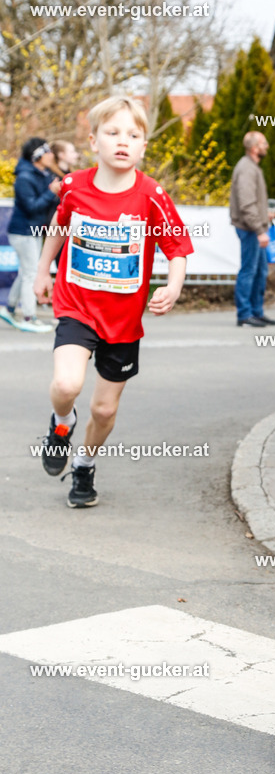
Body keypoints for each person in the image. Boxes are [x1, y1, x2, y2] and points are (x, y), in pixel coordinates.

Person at [33, 96, 193, 508]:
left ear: (143, 147)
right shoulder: (73, 186)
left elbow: (177, 249)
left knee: (104, 411)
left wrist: (172, 287)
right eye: (113, 132)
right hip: (76, 306)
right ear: (93, 140)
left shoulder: (152, 195)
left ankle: (84, 465)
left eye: (133, 135)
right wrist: (42, 269)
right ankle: (62, 424)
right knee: (67, 383)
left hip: (122, 322)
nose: (123, 141)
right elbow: (59, 224)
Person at [0, 139, 61, 333]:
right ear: (37, 155)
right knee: (30, 274)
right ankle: (29, 317)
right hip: (23, 231)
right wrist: (51, 192)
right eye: (47, 151)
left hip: (32, 231)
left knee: (27, 271)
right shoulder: (25, 177)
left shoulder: (42, 174)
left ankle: (9, 309)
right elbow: (32, 207)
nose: (51, 154)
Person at [229, 132, 275, 328]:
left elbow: (251, 203)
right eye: (264, 143)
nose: (267, 146)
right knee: (249, 271)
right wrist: (259, 230)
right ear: (255, 148)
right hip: (250, 229)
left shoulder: (251, 167)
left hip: (255, 227)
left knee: (259, 271)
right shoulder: (247, 169)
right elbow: (246, 205)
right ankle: (245, 315)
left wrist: (264, 215)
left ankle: (256, 312)